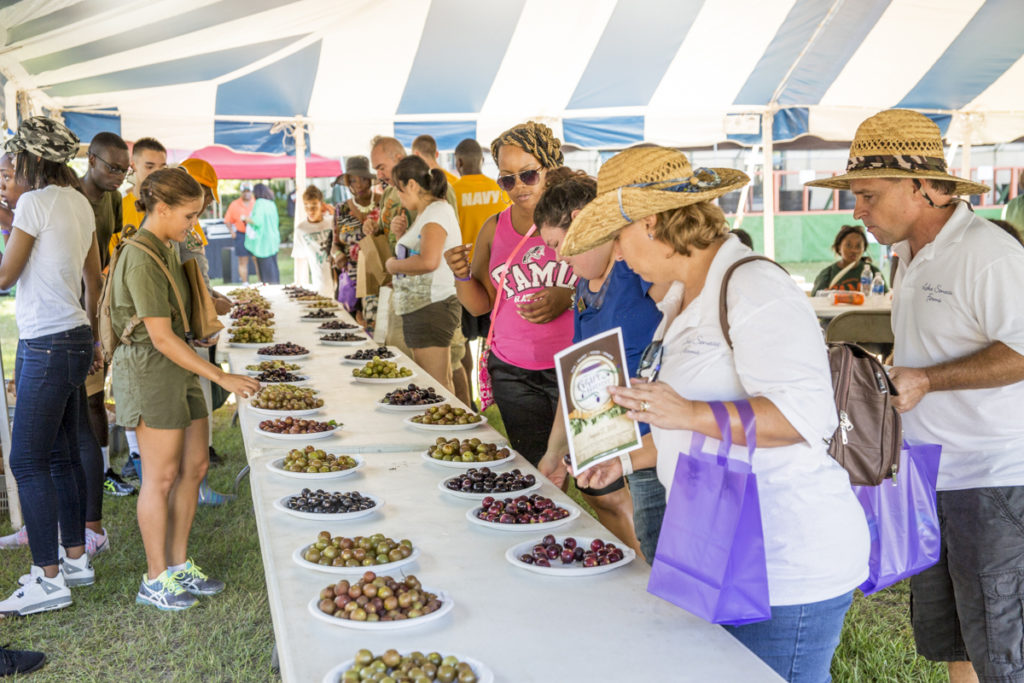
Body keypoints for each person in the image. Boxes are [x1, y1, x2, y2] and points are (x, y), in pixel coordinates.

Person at [565, 146, 870, 682]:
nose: (616, 253)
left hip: (783, 559)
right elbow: (687, 427)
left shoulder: (753, 285)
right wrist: (630, 458)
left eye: (619, 234)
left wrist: (686, 411)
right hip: (717, 540)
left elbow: (803, 419)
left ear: (653, 224)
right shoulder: (682, 296)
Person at [807, 109, 1024, 683]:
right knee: (953, 637)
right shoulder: (906, 254)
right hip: (931, 474)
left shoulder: (989, 254)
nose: (857, 211)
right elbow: (934, 349)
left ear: (923, 186)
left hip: (993, 477)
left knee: (1002, 648)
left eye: (868, 196)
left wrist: (928, 379)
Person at [108, 167, 259, 611]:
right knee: (160, 477)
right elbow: (160, 337)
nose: (193, 224)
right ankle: (154, 578)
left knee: (193, 468)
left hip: (179, 369)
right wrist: (221, 376)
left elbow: (180, 318)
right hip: (151, 372)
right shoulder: (139, 255)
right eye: (189, 215)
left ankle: (177, 565)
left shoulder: (169, 245)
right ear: (162, 208)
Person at [534, 167, 667, 562]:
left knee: (664, 551)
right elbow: (574, 376)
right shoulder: (581, 288)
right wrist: (554, 452)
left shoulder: (636, 269)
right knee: (645, 542)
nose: (559, 257)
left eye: (562, 244)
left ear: (586, 224)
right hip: (614, 444)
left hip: (657, 445)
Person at [0, 117, 103, 616]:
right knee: (61, 456)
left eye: (15, 157)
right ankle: (76, 559)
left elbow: (5, 277)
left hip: (44, 344)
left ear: (31, 160)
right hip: (75, 336)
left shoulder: (33, 204)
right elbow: (88, 276)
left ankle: (48, 578)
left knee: (27, 461)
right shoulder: (79, 202)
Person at [443, 121, 577, 466]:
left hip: (575, 364)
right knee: (533, 469)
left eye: (528, 174)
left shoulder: (578, 218)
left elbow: (609, 282)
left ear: (549, 167)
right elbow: (480, 306)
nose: (518, 186)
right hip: (513, 370)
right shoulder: (494, 227)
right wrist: (461, 275)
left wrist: (568, 296)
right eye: (506, 178)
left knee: (596, 481)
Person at [385, 156, 463, 390]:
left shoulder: (435, 213)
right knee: (441, 383)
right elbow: (421, 253)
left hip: (430, 307)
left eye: (399, 190)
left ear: (412, 185)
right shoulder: (428, 213)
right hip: (426, 306)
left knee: (435, 386)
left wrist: (393, 265)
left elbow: (429, 261)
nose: (399, 196)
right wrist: (401, 239)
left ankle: (447, 426)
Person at [452, 138, 509, 404]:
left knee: (462, 341)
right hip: (498, 278)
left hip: (465, 277)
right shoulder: (500, 189)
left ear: (458, 162)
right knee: (494, 340)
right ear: (483, 161)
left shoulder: (453, 190)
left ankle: (470, 399)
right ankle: (494, 392)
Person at [331, 156, 374, 312]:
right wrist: (338, 256)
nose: (359, 185)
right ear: (348, 183)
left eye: (363, 179)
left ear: (370, 180)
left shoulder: (383, 204)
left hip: (376, 279)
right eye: (353, 181)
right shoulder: (341, 209)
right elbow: (335, 244)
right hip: (351, 281)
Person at [810, 224, 886, 295]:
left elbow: (885, 298)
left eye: (858, 246)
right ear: (839, 247)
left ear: (864, 249)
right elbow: (816, 299)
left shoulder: (873, 272)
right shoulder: (827, 274)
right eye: (848, 245)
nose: (854, 250)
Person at [121, 137, 167, 240]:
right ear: (133, 165)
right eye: (149, 167)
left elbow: (194, 253)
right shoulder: (119, 209)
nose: (157, 173)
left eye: (163, 167)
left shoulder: (177, 205)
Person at [294, 185, 334, 293]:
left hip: (339, 282)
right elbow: (299, 258)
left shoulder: (332, 222)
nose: (310, 211)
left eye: (314, 207)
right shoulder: (301, 229)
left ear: (322, 205)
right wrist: (299, 282)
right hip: (320, 284)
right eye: (306, 207)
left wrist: (336, 214)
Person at [243, 183, 281, 284]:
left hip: (263, 241)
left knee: (265, 268)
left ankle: (269, 288)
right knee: (273, 266)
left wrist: (246, 219)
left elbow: (257, 221)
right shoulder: (271, 203)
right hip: (273, 238)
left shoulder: (259, 203)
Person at [223, 183, 256, 282]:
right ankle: (245, 283)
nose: (246, 194)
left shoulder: (256, 202)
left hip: (254, 235)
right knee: (243, 260)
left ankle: (261, 281)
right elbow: (227, 220)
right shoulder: (235, 204)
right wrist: (232, 232)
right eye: (244, 191)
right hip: (241, 234)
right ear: (241, 192)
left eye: (248, 191)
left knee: (257, 259)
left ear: (251, 192)